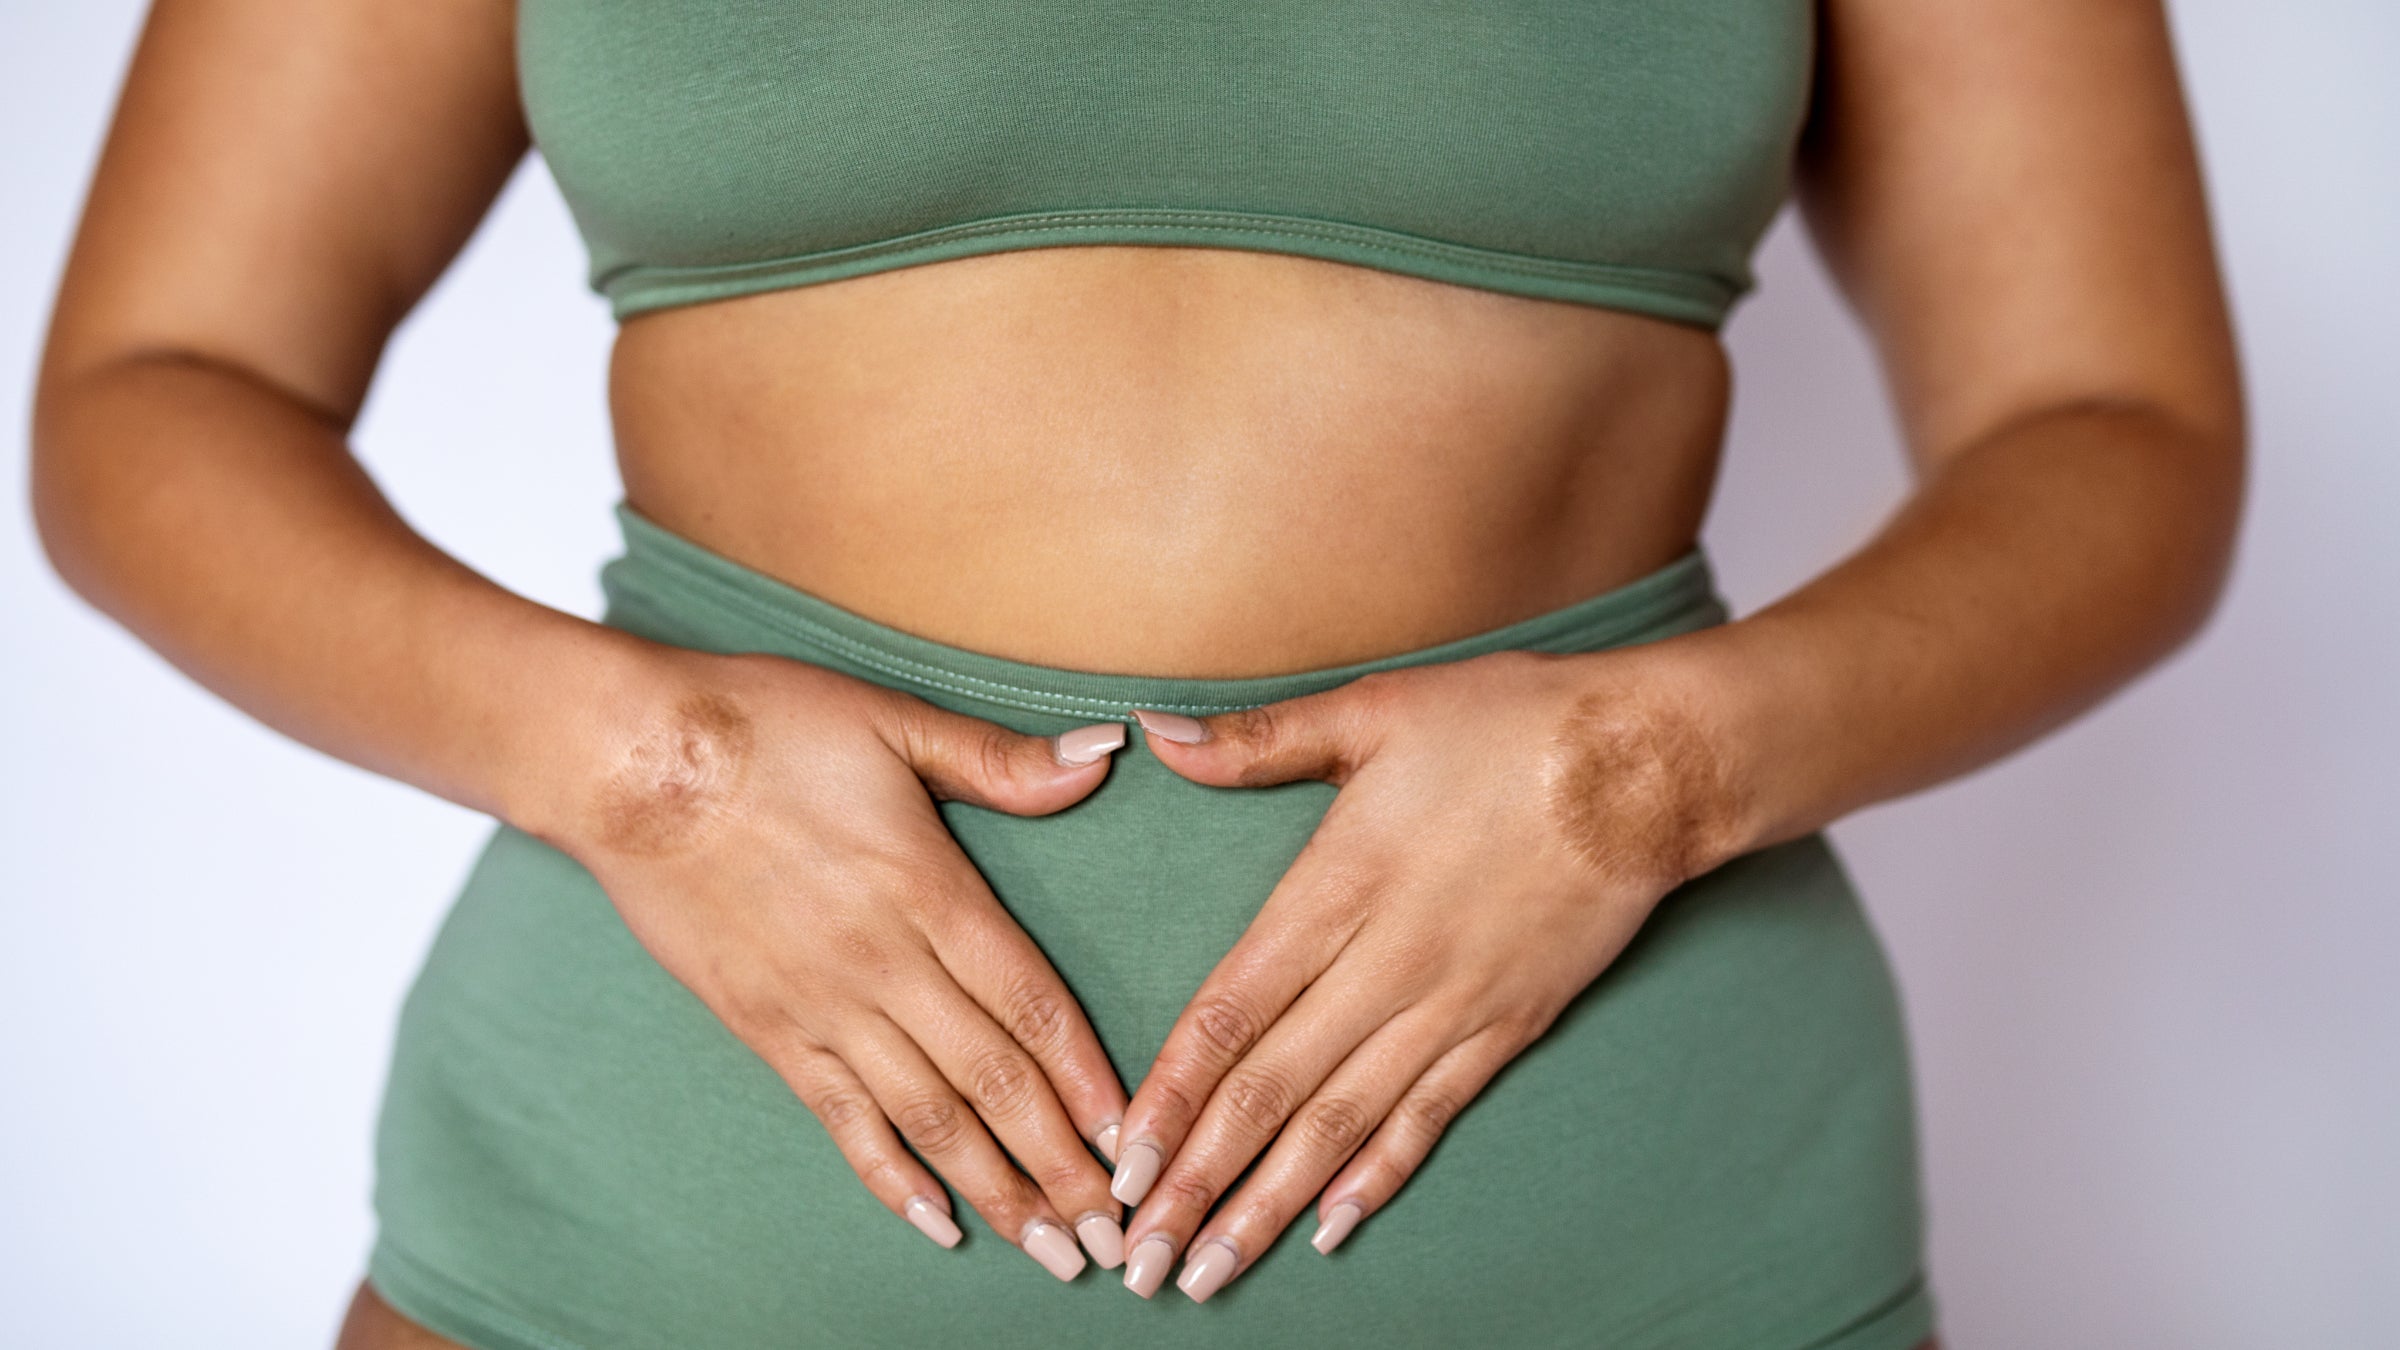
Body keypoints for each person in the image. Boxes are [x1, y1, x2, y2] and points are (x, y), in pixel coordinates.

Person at [29, 0, 2242, 1346]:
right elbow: (159, 382)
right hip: (646, 1243)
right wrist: (641, 767)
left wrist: (1655, 767)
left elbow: (2114, 424)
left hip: (1643, 1237)